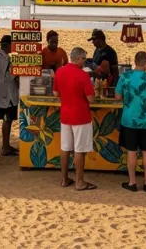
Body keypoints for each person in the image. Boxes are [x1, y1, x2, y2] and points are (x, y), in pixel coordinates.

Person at [115, 51, 146, 192]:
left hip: (129, 120)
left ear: (135, 62)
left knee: (131, 151)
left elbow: (117, 97)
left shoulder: (124, 76)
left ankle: (132, 182)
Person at [53, 47, 96, 191]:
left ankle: (64, 179)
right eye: (84, 59)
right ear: (78, 59)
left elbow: (55, 93)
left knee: (65, 148)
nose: (85, 61)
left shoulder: (59, 72)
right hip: (81, 117)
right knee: (79, 150)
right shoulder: (83, 76)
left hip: (65, 115)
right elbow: (91, 99)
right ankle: (79, 182)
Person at [0, 35, 19, 156]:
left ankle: (6, 145)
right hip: (5, 94)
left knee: (8, 120)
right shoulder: (1, 58)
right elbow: (5, 77)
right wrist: (15, 72)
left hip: (6, 93)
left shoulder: (1, 56)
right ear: (8, 45)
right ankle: (5, 147)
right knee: (7, 120)